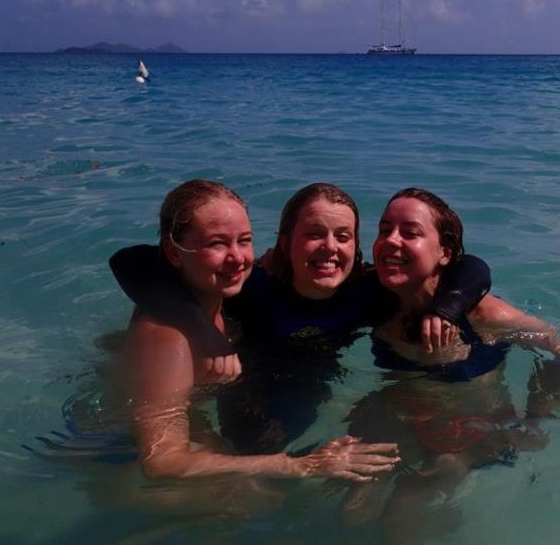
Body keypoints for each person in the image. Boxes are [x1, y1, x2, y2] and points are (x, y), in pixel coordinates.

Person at [110, 183, 492, 456]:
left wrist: (447, 309)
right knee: (257, 451)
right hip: (251, 377)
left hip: (317, 376)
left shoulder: (369, 289)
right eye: (313, 235)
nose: (329, 247)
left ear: (355, 246)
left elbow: (471, 266)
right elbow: (132, 261)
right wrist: (203, 332)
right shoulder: (252, 284)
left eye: (343, 236)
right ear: (284, 242)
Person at [340, 187, 560, 545]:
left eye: (410, 232)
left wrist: (536, 417)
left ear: (445, 253)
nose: (391, 241)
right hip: (401, 416)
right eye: (384, 229)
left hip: (468, 435)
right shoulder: (380, 302)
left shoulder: (487, 318)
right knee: (352, 512)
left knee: (396, 523)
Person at [118, 179, 399, 481]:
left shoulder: (222, 296)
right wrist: (299, 465)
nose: (238, 258)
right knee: (257, 495)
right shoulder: (179, 326)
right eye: (217, 243)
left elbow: (450, 269)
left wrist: (443, 312)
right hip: (118, 453)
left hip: (184, 418)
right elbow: (161, 462)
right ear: (284, 242)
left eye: (244, 240)